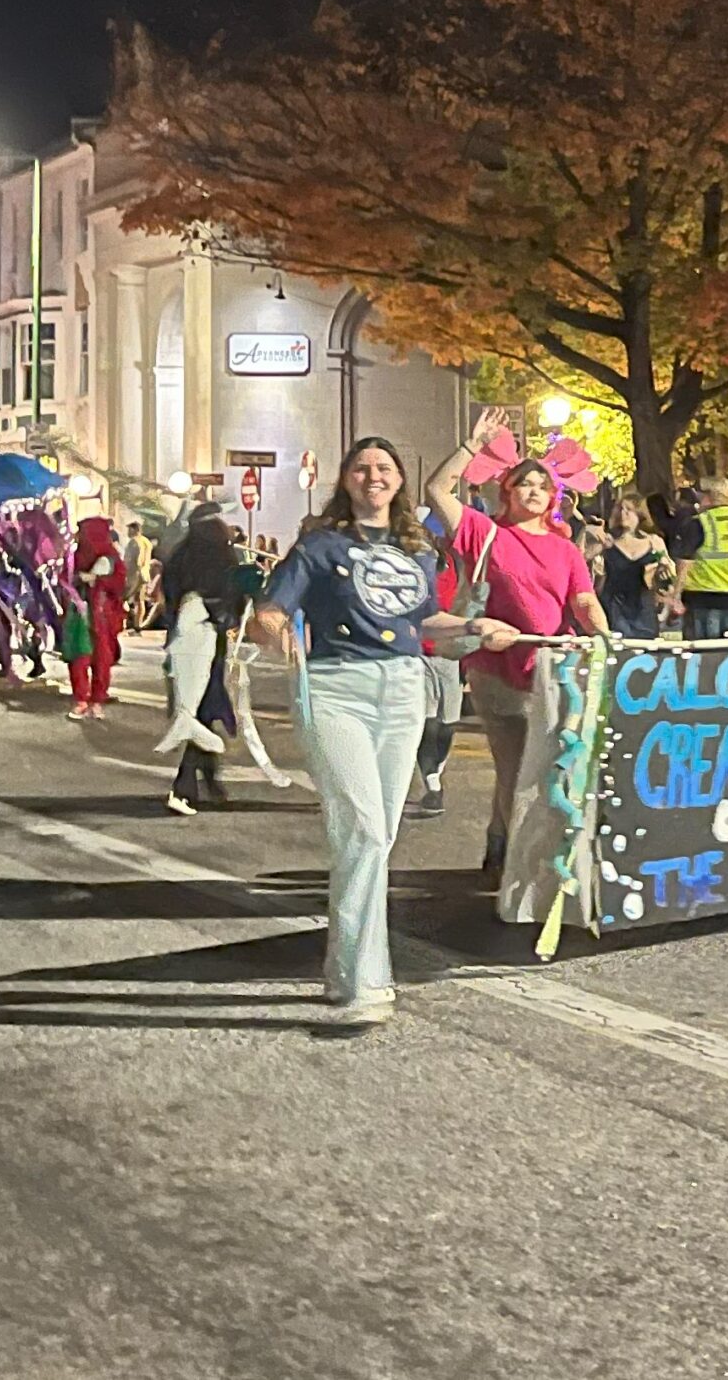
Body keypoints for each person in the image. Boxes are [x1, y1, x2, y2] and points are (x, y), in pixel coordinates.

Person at [247, 439, 474, 1028]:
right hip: (334, 688)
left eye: (385, 468)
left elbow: (422, 621)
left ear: (399, 480)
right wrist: (276, 633)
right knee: (366, 830)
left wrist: (476, 627)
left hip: (401, 689)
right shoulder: (321, 546)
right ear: (346, 480)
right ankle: (365, 979)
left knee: (374, 836)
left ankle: (343, 969)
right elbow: (269, 611)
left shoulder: (417, 550)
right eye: (361, 468)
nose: (373, 477)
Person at [424, 447, 607, 873]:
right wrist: (471, 445)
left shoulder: (566, 551)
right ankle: (522, 869)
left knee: (539, 765)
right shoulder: (485, 534)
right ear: (507, 489)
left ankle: (499, 840)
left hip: (552, 671)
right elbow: (437, 490)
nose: (535, 491)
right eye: (525, 483)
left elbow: (584, 600)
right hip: (497, 670)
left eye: (544, 486)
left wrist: (607, 638)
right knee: (517, 768)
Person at [156, 506, 245, 813]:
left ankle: (209, 780)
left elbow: (170, 595)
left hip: (182, 641)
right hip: (208, 641)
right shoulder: (222, 558)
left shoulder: (180, 557)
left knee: (197, 704)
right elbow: (234, 594)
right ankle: (184, 785)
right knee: (201, 708)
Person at [670, 474, 728, 641]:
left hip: (703, 600)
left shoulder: (699, 523)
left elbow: (685, 563)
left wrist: (676, 596)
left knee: (702, 658)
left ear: (707, 496)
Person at [64, 514, 127, 719]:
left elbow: (119, 584)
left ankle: (97, 700)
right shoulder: (74, 556)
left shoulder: (111, 557)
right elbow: (65, 580)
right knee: (80, 657)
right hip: (80, 615)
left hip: (103, 616)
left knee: (101, 659)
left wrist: (97, 580)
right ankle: (81, 700)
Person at [595, 496, 670, 641]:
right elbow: (597, 579)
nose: (624, 513)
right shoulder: (608, 542)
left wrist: (663, 568)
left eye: (629, 510)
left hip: (644, 609)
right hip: (614, 609)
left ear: (639, 514)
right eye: (620, 509)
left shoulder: (654, 542)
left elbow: (668, 579)